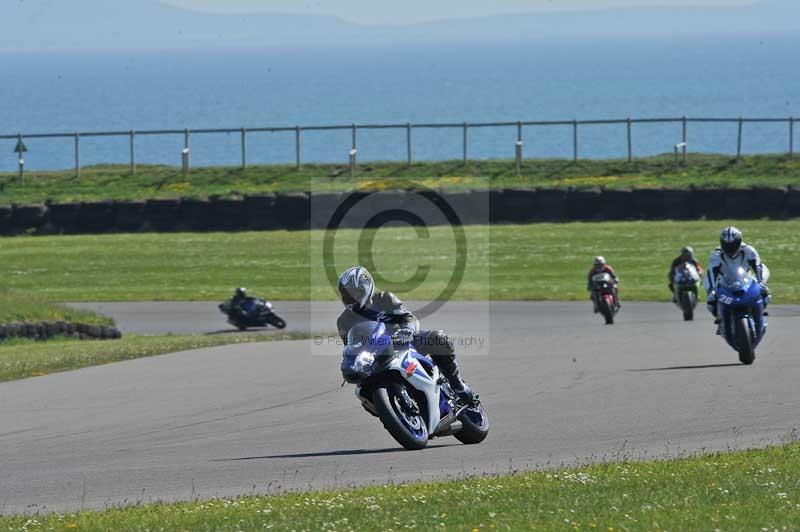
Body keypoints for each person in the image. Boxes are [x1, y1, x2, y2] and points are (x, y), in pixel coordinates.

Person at [336, 266, 475, 404]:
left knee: (438, 339)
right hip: (375, 357)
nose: (350, 298)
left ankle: (458, 386)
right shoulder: (343, 321)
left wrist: (407, 331)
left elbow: (409, 318)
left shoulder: (385, 298)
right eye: (346, 295)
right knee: (362, 390)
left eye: (353, 293)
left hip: (403, 343)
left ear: (366, 288)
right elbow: (350, 347)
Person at [704, 226, 770, 333]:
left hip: (747, 282)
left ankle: (760, 317)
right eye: (726, 245)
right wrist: (711, 290)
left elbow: (759, 267)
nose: (730, 248)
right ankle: (721, 322)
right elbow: (710, 273)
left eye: (733, 244)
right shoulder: (716, 254)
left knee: (766, 295)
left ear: (739, 241)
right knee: (711, 304)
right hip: (725, 284)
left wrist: (762, 282)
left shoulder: (749, 250)